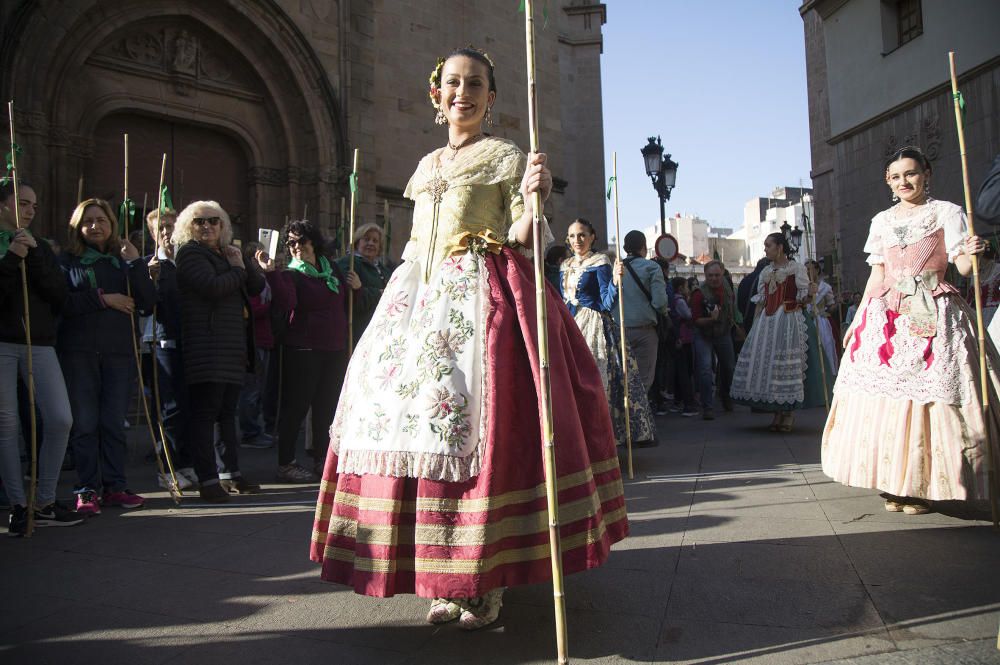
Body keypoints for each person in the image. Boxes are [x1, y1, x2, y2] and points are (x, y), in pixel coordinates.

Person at [310, 47, 627, 630]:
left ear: (491, 97)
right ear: (437, 95)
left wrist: (535, 197)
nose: (464, 92)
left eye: (475, 83)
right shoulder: (426, 165)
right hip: (418, 297)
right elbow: (416, 242)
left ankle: (480, 579)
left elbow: (521, 236)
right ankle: (439, 574)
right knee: (400, 422)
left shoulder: (506, 157)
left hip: (483, 297)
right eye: (453, 83)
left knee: (473, 426)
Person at [822, 146, 1000, 515]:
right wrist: (858, 320)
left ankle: (923, 484)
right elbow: (878, 274)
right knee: (886, 401)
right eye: (897, 176)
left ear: (926, 174)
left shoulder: (947, 212)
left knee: (930, 401)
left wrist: (974, 249)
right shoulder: (882, 221)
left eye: (911, 173)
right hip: (886, 316)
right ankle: (894, 482)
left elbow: (964, 268)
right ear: (888, 181)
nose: (905, 181)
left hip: (934, 310)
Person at [59, 198, 156, 514]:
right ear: (78, 227)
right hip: (79, 352)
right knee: (85, 424)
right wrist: (104, 300)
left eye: (101, 220)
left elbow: (147, 302)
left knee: (114, 423)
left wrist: (137, 263)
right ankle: (87, 489)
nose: (95, 226)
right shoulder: (68, 262)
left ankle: (115, 486)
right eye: (88, 221)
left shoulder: (122, 262)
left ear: (111, 224)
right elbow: (61, 303)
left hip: (119, 353)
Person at [0, 183, 81, 533]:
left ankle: (45, 498)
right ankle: (19, 504)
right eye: (22, 203)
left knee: (60, 418)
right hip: (2, 343)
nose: (31, 210)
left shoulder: (40, 248)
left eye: (34, 204)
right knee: (7, 425)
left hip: (40, 342)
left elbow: (58, 294)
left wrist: (33, 257)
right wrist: (10, 259)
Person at [174, 201, 263, 502]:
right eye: (200, 222)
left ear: (223, 225)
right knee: (205, 415)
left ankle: (230, 474)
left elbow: (257, 285)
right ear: (189, 226)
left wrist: (242, 262)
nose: (207, 226)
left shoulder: (224, 254)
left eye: (214, 221)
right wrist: (237, 269)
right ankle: (208, 480)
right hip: (206, 347)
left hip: (232, 346)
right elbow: (211, 286)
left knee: (227, 414)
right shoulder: (189, 254)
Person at [260, 219, 351, 482]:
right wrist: (271, 273)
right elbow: (286, 302)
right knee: (296, 407)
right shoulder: (291, 274)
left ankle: (322, 457)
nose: (296, 247)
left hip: (333, 347)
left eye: (301, 240)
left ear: (313, 241)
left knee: (325, 407)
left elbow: (343, 298)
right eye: (290, 243)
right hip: (303, 348)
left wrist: (355, 286)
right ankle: (286, 463)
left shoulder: (329, 267)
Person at [559, 218, 656, 447]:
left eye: (582, 235)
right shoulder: (565, 265)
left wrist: (614, 281)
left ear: (592, 236)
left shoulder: (600, 262)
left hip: (594, 327)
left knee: (598, 384)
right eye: (572, 235)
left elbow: (606, 302)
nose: (577, 240)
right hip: (569, 326)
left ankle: (601, 441)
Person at [730, 234, 827, 432]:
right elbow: (762, 301)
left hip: (790, 319)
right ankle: (777, 412)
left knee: (785, 366)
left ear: (780, 248)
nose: (765, 249)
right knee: (771, 367)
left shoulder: (795, 268)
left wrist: (810, 292)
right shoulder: (766, 271)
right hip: (767, 322)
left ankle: (788, 414)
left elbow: (804, 299)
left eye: (768, 246)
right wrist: (755, 329)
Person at [144, 207, 199, 490]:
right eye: (160, 228)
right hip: (163, 343)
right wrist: (148, 280)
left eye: (170, 226)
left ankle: (186, 462)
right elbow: (145, 304)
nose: (166, 232)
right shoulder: (151, 265)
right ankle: (167, 467)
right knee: (169, 409)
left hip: (190, 343)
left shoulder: (187, 263)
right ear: (153, 234)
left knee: (188, 406)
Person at [616, 230, 669, 401]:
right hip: (645, 331)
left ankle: (623, 419)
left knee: (623, 378)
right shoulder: (652, 267)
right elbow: (660, 302)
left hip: (620, 331)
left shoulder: (616, 268)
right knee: (643, 380)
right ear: (643, 247)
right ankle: (637, 419)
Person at [238, 240, 275, 449]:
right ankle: (249, 432)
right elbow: (251, 310)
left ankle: (255, 429)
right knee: (250, 390)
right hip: (253, 340)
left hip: (265, 338)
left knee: (259, 389)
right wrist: (269, 306)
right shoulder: (247, 279)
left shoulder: (263, 279)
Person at [689, 260, 736, 420]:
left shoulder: (729, 288)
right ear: (705, 275)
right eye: (710, 275)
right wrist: (711, 319)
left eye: (717, 275)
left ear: (722, 273)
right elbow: (695, 320)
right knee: (705, 369)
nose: (714, 278)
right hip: (704, 334)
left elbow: (733, 309)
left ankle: (726, 395)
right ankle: (707, 406)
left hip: (723, 333)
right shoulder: (698, 294)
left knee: (729, 367)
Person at [337, 221, 392, 345]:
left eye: (375, 241)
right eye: (366, 239)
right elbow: (350, 296)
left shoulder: (384, 269)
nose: (370, 243)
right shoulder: (349, 263)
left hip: (380, 329)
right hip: (358, 329)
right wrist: (379, 293)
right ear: (357, 242)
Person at [668, 276, 698, 416]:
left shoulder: (673, 299)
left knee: (680, 370)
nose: (688, 289)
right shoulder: (680, 301)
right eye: (686, 286)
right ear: (680, 288)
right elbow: (688, 315)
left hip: (678, 338)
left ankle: (678, 400)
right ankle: (688, 403)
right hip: (683, 338)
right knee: (685, 370)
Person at [805, 259, 839, 376]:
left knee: (825, 345)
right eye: (805, 270)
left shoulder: (825, 287)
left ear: (817, 270)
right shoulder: (803, 287)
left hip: (821, 322)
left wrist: (834, 306)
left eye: (809, 269)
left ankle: (828, 373)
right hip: (806, 321)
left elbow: (831, 305)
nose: (807, 272)